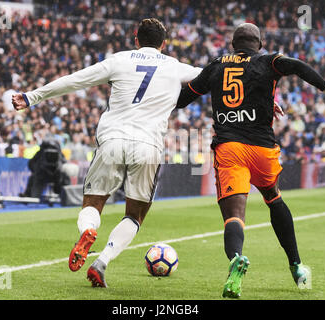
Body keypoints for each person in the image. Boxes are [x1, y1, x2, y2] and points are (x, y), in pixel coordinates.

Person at [12, 18, 202, 287]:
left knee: (92, 203)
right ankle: (101, 262)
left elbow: (76, 80)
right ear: (164, 44)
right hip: (148, 146)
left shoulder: (119, 60)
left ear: (136, 39)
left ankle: (88, 231)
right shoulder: (177, 67)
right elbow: (213, 77)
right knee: (134, 215)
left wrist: (33, 96)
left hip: (112, 139)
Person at [176, 23, 325, 298]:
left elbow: (184, 98)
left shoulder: (216, 66)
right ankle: (297, 266)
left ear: (233, 44)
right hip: (263, 150)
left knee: (234, 215)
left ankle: (236, 260)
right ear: (260, 44)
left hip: (230, 148)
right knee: (273, 197)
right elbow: (299, 66)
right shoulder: (268, 62)